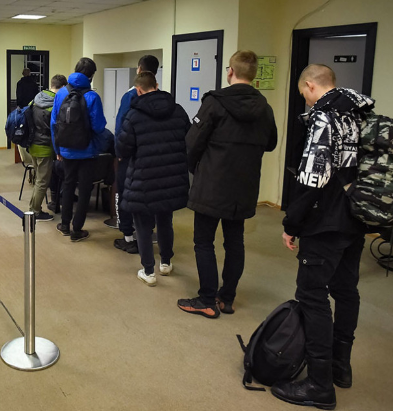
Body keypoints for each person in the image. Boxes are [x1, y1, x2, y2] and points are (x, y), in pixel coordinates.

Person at [271, 65, 372, 410]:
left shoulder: (323, 117)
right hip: (356, 216)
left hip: (326, 222)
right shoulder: (361, 112)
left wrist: (291, 224)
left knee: (312, 295)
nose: (305, 98)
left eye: (303, 92)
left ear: (311, 85)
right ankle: (341, 367)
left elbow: (312, 179)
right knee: (346, 290)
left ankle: (319, 384)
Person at [177, 50, 277, 319]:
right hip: (244, 185)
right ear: (253, 76)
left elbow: (192, 143)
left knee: (203, 242)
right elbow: (271, 143)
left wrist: (195, 169)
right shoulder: (264, 108)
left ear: (230, 72)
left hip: (212, 183)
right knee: (235, 242)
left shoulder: (214, 103)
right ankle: (227, 298)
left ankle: (206, 299)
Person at [115, 71, 190, 286]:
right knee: (165, 221)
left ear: (138, 90)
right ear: (156, 86)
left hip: (143, 178)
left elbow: (123, 149)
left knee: (143, 226)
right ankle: (166, 262)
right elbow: (189, 139)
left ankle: (148, 271)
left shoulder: (133, 115)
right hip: (170, 177)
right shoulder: (178, 110)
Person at [50, 57, 107, 242]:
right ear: (91, 75)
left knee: (68, 185)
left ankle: (64, 225)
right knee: (84, 189)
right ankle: (77, 230)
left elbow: (53, 124)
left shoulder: (61, 93)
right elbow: (99, 127)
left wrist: (57, 149)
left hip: (66, 149)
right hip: (87, 150)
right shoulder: (92, 97)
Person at [113, 55, 161, 255]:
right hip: (153, 157)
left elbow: (121, 126)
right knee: (149, 195)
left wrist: (119, 152)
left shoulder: (131, 95)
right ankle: (148, 233)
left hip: (131, 156)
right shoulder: (162, 97)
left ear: (139, 69)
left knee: (125, 194)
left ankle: (128, 237)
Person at [23, 74, 66, 221]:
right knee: (42, 181)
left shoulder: (37, 99)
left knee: (38, 180)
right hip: (45, 147)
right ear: (63, 87)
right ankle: (35, 212)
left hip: (33, 145)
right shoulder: (56, 103)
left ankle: (33, 208)